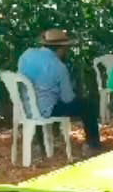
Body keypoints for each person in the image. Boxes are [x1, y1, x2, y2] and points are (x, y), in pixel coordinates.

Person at [19, 28, 103, 156]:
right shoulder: (58, 67)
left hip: (25, 106)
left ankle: (41, 143)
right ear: (62, 49)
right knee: (88, 106)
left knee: (42, 99)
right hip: (46, 109)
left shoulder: (27, 55)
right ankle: (93, 145)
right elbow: (67, 98)